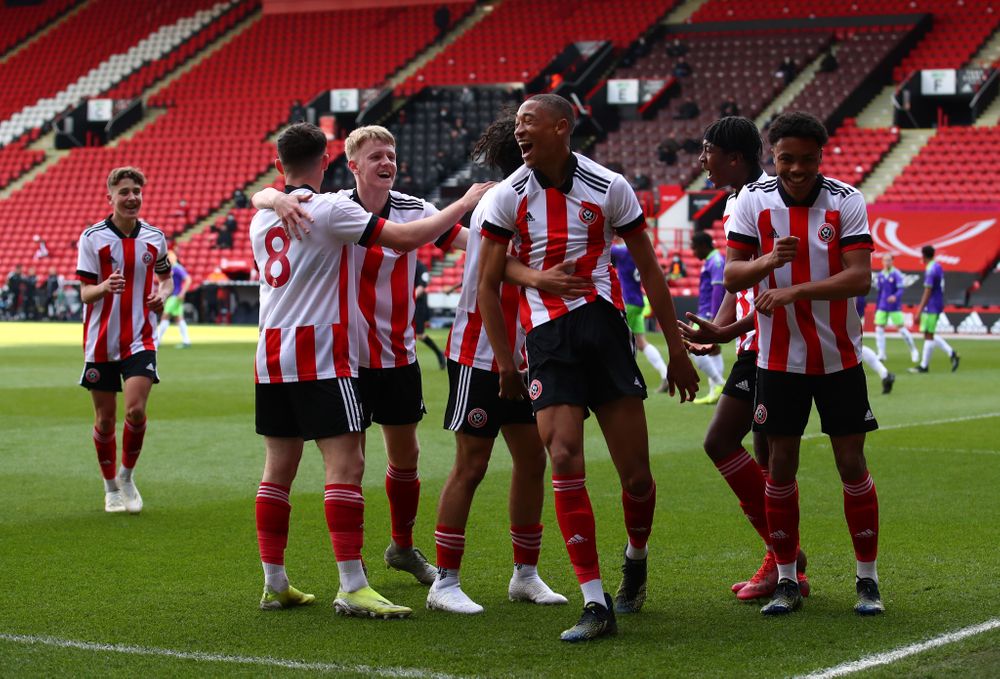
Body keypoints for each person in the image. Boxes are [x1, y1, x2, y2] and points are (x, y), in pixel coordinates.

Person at [476, 94, 699, 642]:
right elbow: (487, 281)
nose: (519, 132)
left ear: (561, 127)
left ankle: (636, 559)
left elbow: (649, 270)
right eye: (518, 125)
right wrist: (506, 361)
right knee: (565, 458)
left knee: (637, 478)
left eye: (529, 124)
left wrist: (676, 350)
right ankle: (595, 603)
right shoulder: (509, 196)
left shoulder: (609, 186)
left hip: (603, 333)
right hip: (548, 341)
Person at [248, 122, 489, 616]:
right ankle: (353, 584)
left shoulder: (266, 217)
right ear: (341, 163)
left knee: (286, 469)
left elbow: (465, 242)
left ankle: (282, 579)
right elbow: (401, 240)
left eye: (391, 154)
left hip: (283, 353)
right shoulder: (335, 207)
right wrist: (464, 202)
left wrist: (270, 198)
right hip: (333, 354)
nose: (386, 162)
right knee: (347, 467)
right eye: (375, 155)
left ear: (279, 166)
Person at [725, 111, 883, 617]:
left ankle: (867, 580)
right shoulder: (752, 200)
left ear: (821, 156)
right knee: (780, 468)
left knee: (850, 464)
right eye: (785, 158)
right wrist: (767, 264)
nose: (796, 169)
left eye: (807, 159)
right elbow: (732, 275)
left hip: (839, 357)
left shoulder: (846, 200)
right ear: (772, 156)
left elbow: (860, 279)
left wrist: (793, 290)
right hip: (777, 360)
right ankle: (788, 580)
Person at [429, 113, 589, 615]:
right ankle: (445, 581)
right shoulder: (504, 202)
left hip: (531, 348)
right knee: (471, 464)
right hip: (481, 350)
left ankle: (525, 573)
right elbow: (494, 279)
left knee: (531, 458)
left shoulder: (539, 201)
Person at [679, 115, 810, 600]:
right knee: (756, 454)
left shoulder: (760, 200)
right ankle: (783, 559)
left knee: (744, 450)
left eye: (708, 150)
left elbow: (775, 288)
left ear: (734, 157)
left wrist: (729, 328)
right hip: (754, 346)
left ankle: (785, 560)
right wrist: (717, 329)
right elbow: (742, 281)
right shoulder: (740, 200)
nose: (701, 160)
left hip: (773, 347)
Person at [77, 166, 172, 514]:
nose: (132, 197)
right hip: (101, 341)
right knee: (104, 420)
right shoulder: (92, 238)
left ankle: (127, 476)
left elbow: (166, 278)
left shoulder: (154, 237)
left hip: (140, 338)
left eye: (136, 191)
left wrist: (162, 294)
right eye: (124, 192)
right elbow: (86, 293)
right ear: (111, 198)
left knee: (134, 410)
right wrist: (104, 287)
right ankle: (110, 488)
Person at [610, 236, 669, 391]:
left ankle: (629, 379)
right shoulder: (636, 251)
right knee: (641, 342)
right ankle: (665, 374)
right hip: (637, 300)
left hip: (627, 301)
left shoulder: (621, 251)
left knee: (621, 341)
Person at [689, 230, 726, 405]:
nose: (693, 252)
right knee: (714, 349)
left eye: (694, 248)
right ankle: (714, 393)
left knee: (692, 347)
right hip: (705, 312)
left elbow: (718, 290)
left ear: (703, 246)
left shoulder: (716, 261)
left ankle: (719, 383)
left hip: (708, 314)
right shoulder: (711, 260)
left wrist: (713, 317)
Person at [910, 245, 959, 373]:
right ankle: (951, 353)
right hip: (936, 303)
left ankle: (924, 366)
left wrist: (919, 309)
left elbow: (928, 290)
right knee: (928, 333)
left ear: (923, 255)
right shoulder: (937, 266)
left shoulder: (931, 269)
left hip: (932, 305)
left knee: (929, 335)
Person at [873, 253, 919, 363]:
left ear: (892, 261)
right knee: (879, 328)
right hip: (882, 305)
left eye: (889, 260)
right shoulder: (880, 275)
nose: (887, 262)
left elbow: (901, 290)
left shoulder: (897, 274)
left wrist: (895, 296)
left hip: (894, 306)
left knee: (901, 329)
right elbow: (879, 293)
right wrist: (877, 307)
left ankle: (914, 350)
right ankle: (881, 354)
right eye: (885, 260)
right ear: (882, 261)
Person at [857, 296, 895, 394]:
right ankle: (885, 374)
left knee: (852, 346)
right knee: (855, 346)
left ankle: (885, 374)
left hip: (847, 305)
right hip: (855, 304)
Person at [413, 258, 446, 369]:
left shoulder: (420, 266)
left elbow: (421, 287)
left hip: (418, 304)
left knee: (420, 335)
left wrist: (409, 298)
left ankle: (439, 353)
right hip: (408, 304)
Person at [157, 250, 192, 348]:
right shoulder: (173, 268)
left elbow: (188, 279)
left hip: (175, 296)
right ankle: (186, 341)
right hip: (175, 296)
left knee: (165, 316)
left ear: (174, 258)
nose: (168, 259)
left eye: (170, 257)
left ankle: (157, 340)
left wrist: (182, 293)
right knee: (178, 318)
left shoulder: (177, 268)